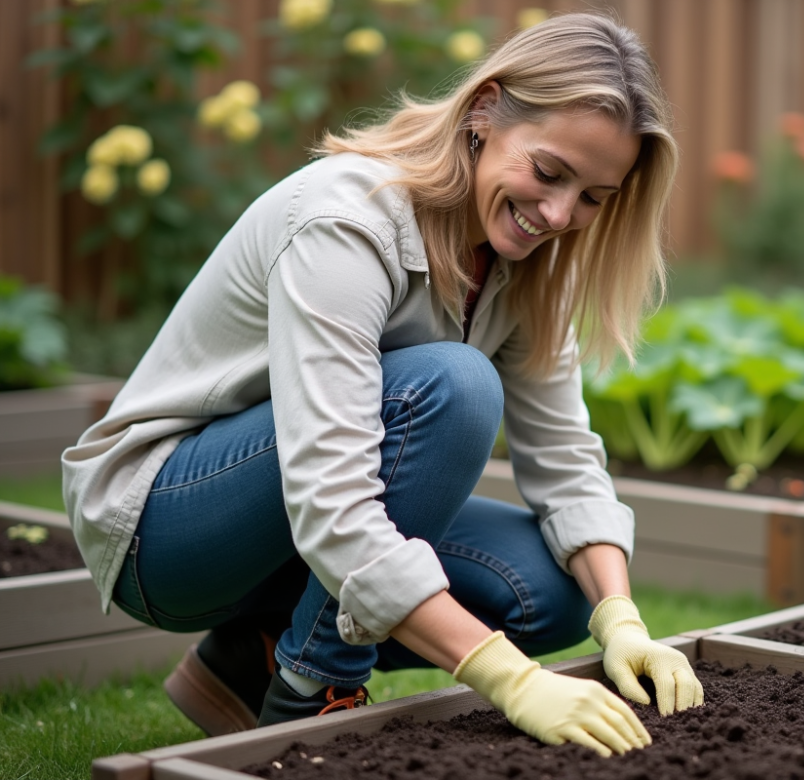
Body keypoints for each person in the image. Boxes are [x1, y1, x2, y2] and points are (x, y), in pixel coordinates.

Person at [62, 12, 702, 757]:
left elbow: (564, 458)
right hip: (163, 528)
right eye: (549, 172)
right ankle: (309, 695)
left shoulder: (527, 264)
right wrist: (511, 680)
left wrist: (621, 619)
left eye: (593, 196)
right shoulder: (348, 220)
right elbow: (331, 497)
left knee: (555, 589)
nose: (560, 214)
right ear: (485, 111)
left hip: (291, 529)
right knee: (453, 388)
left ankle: (252, 656)